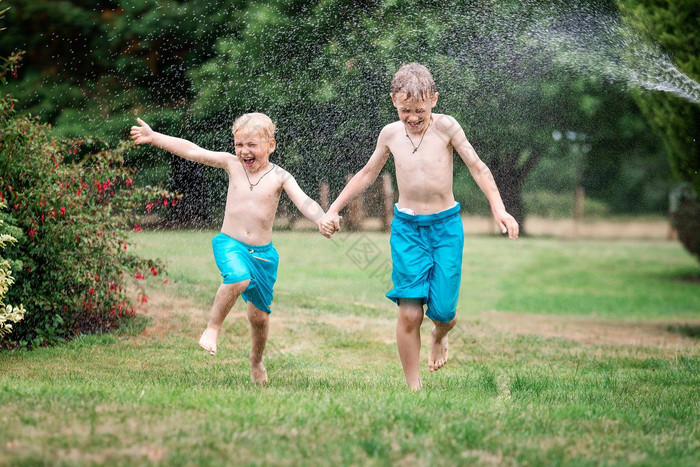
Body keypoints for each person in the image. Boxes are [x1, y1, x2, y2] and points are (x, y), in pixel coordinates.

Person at [319, 63, 519, 390]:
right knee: (411, 314)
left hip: (445, 228)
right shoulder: (390, 134)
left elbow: (478, 168)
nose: (412, 117)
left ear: (435, 100)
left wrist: (499, 209)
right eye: (405, 110)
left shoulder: (448, 128)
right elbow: (368, 174)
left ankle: (440, 336)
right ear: (393, 102)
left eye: (420, 111)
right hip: (407, 229)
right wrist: (334, 209)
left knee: (443, 312)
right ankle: (415, 389)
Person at [131, 113, 336, 385]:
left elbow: (304, 201)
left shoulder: (280, 177)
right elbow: (193, 151)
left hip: (263, 256)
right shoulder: (232, 164)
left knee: (259, 317)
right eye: (239, 144)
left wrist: (321, 218)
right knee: (238, 277)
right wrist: (155, 137)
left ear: (271, 145)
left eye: (251, 144)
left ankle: (256, 360)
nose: (244, 151)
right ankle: (213, 328)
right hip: (231, 244)